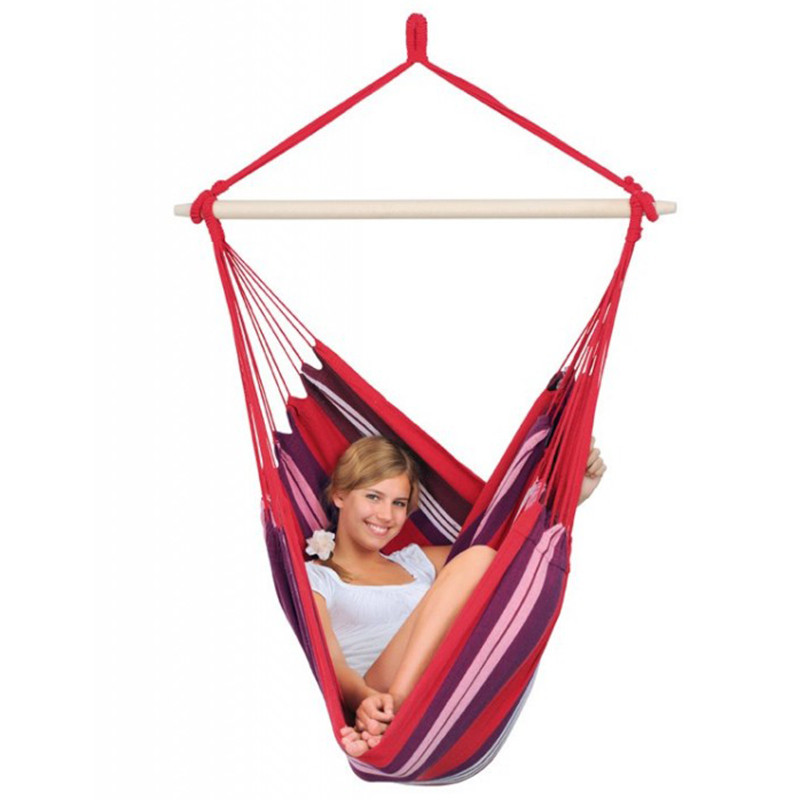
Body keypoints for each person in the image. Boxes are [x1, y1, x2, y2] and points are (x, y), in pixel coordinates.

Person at [305, 435, 606, 757]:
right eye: (374, 497)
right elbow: (331, 662)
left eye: (399, 503)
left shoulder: (417, 562)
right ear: (339, 495)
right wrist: (367, 700)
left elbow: (513, 555)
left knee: (487, 563)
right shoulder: (317, 577)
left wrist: (570, 499)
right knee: (478, 558)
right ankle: (395, 711)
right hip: (373, 693)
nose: (386, 515)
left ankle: (402, 710)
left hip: (437, 688)